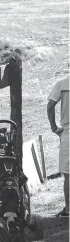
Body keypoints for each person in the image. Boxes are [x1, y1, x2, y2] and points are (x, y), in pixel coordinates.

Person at [47, 74, 69, 217]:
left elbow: (50, 107)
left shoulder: (63, 84)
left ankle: (69, 209)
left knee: (69, 175)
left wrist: (54, 127)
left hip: (68, 132)